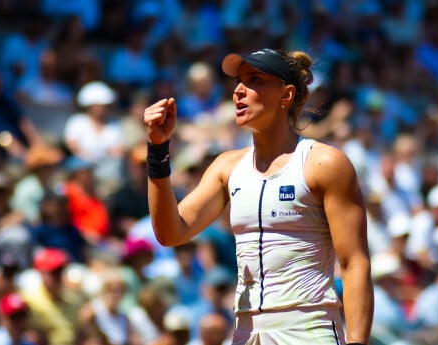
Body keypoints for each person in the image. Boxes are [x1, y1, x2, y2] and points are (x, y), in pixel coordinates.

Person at [144, 48, 373, 345]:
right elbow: (170, 232)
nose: (239, 90)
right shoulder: (227, 167)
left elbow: (355, 263)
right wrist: (158, 149)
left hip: (308, 331)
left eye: (254, 80)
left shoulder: (324, 163)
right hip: (246, 332)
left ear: (286, 95)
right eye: (239, 81)